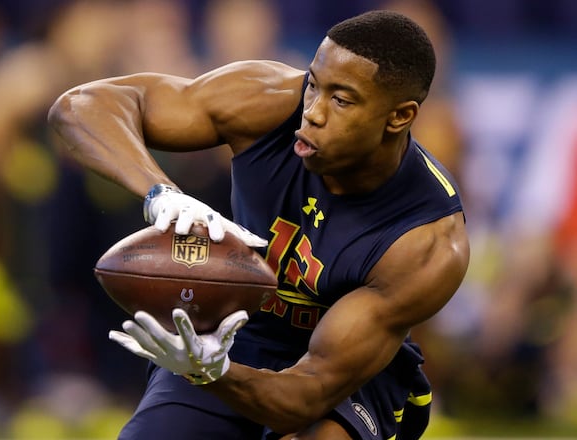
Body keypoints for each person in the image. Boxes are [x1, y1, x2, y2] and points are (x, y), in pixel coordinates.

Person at [48, 10, 469, 440]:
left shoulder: (426, 238)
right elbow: (79, 107)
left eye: (340, 100)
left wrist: (216, 373)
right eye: (313, 85)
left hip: (349, 374)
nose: (313, 113)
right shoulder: (269, 100)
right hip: (232, 334)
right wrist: (161, 193)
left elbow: (307, 394)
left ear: (399, 117)